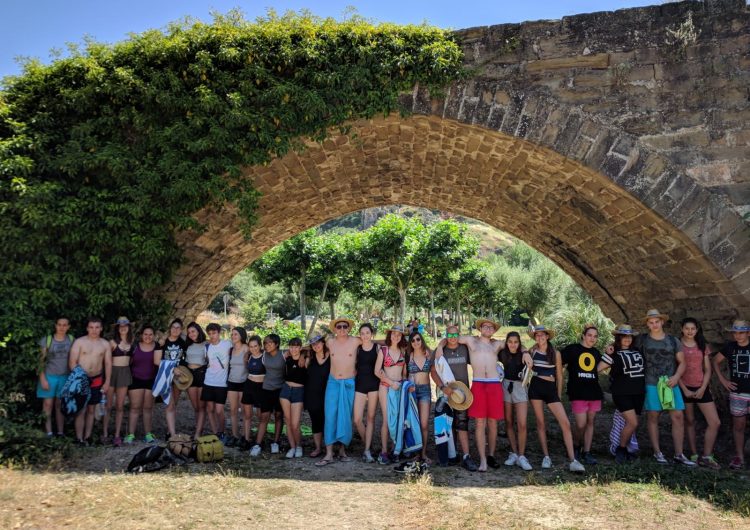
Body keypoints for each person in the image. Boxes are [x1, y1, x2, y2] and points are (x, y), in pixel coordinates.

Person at [522, 324, 585, 472]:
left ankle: (573, 460)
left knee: (565, 423)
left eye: (542, 335)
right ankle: (546, 457)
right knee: (540, 423)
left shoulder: (555, 353)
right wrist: (525, 352)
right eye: (537, 335)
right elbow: (523, 353)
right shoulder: (532, 350)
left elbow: (560, 375)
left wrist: (558, 393)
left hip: (550, 389)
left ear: (547, 336)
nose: (540, 337)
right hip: (536, 387)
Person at [636, 309, 694, 466]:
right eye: (651, 322)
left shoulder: (673, 340)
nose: (654, 324)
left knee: (677, 416)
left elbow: (682, 362)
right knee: (653, 416)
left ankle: (679, 454)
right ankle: (657, 452)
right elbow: (625, 346)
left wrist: (676, 377)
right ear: (647, 324)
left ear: (662, 322)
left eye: (657, 321)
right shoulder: (642, 340)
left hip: (670, 382)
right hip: (651, 382)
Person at [447, 318, 505, 472]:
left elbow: (516, 344)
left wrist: (526, 352)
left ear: (494, 330)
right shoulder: (471, 341)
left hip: (494, 384)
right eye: (485, 326)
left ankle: (491, 455)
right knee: (480, 423)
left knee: (493, 423)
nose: (488, 328)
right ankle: (483, 459)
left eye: (491, 327)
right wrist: (439, 347)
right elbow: (450, 337)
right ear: (480, 328)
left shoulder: (497, 344)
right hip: (478, 383)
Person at [432, 324, 479, 471]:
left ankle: (466, 456)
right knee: (448, 424)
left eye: (455, 335)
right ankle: (452, 454)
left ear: (459, 336)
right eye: (449, 335)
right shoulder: (441, 351)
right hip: (446, 393)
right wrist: (442, 387)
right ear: (446, 336)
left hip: (461, 395)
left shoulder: (464, 349)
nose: (452, 338)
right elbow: (433, 371)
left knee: (462, 424)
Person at [677, 317, 721, 469]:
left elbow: (708, 369)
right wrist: (684, 389)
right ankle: (694, 454)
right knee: (689, 421)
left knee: (715, 422)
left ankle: (707, 456)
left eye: (693, 329)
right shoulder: (677, 345)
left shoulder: (702, 345)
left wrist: (703, 387)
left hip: (701, 387)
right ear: (682, 329)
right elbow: (674, 369)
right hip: (684, 388)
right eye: (687, 328)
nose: (690, 331)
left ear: (697, 330)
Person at [599, 324, 645, 464]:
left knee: (631, 424)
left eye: (629, 336)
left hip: (638, 393)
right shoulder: (614, 353)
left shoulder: (637, 351)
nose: (627, 339)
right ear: (618, 338)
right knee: (633, 423)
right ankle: (621, 448)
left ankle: (627, 449)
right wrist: (607, 353)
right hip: (622, 393)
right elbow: (598, 368)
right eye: (624, 336)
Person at [316, 317, 359, 466]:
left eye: (345, 326)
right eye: (339, 327)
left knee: (345, 416)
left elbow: (372, 343)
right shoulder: (329, 342)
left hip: (348, 383)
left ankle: (342, 450)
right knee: (330, 415)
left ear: (349, 328)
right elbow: (312, 345)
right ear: (334, 329)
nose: (342, 329)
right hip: (333, 382)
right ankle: (328, 453)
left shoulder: (355, 341)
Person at [561, 324, 605, 465]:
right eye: (590, 335)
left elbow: (599, 368)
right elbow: (557, 361)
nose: (592, 338)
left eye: (595, 336)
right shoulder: (572, 349)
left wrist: (609, 352)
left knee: (590, 422)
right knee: (581, 424)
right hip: (578, 392)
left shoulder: (596, 353)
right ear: (583, 336)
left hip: (594, 392)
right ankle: (575, 445)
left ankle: (586, 452)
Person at [712, 319, 750, 470]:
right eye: (735, 333)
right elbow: (715, 361)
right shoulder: (730, 347)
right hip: (737, 393)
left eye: (741, 333)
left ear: (748, 333)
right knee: (738, 426)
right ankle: (739, 457)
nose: (738, 336)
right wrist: (723, 380)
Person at [69, 317, 112, 445]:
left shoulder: (105, 344)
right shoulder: (79, 342)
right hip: (81, 379)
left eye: (97, 327)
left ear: (101, 329)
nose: (94, 330)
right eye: (91, 327)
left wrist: (107, 381)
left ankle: (87, 438)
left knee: (91, 410)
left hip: (97, 379)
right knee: (80, 409)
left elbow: (108, 363)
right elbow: (72, 362)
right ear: (87, 328)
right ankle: (79, 439)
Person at [498, 331, 533, 471]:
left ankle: (522, 455)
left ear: (519, 343)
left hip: (520, 387)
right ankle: (513, 452)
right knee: (508, 422)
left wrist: (524, 351)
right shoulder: (502, 353)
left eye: (516, 342)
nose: (513, 344)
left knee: (522, 423)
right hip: (506, 385)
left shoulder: (524, 354)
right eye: (510, 341)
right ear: (506, 342)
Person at [375, 324, 408, 465]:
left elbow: (405, 373)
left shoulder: (403, 351)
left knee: (399, 419)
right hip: (385, 386)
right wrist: (390, 382)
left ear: (401, 337)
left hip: (399, 387)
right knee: (387, 420)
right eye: (393, 334)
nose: (396, 337)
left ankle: (396, 449)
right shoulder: (383, 350)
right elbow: (377, 371)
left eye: (399, 335)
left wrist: (405, 385)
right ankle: (384, 450)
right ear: (390, 335)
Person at [37, 317, 73, 438]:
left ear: (68, 327)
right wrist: (42, 378)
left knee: (60, 405)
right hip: (49, 376)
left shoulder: (71, 340)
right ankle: (48, 432)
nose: (62, 327)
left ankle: (60, 432)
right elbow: (40, 361)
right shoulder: (47, 340)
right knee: (47, 405)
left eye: (64, 325)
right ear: (55, 325)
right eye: (59, 325)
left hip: (65, 377)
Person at [250, 333, 285, 456]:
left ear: (276, 344)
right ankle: (257, 444)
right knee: (264, 417)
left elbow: (302, 349)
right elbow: (250, 351)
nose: (267, 345)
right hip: (266, 389)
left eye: (270, 342)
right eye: (265, 343)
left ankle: (276, 442)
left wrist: (303, 356)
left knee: (278, 416)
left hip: (280, 389)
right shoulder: (264, 355)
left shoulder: (284, 354)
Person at [155, 318, 187, 439]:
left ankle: (170, 431)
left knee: (174, 404)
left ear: (181, 330)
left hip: (178, 377)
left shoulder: (182, 342)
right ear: (170, 329)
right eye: (173, 327)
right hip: (166, 375)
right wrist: (172, 368)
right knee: (169, 404)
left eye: (178, 328)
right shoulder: (163, 342)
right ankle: (173, 434)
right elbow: (157, 361)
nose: (175, 329)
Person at [126, 324, 158, 444]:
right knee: (135, 407)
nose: (148, 336)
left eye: (150, 334)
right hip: (136, 379)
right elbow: (128, 363)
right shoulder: (135, 347)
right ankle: (130, 435)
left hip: (151, 380)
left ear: (154, 336)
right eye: (145, 334)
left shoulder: (157, 347)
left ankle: (148, 434)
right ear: (141, 335)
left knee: (148, 408)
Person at [354, 323, 380, 463]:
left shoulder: (377, 348)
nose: (365, 335)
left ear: (372, 334)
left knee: (370, 418)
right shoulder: (357, 349)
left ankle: (367, 450)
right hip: (360, 385)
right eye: (362, 333)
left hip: (374, 386)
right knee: (357, 419)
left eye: (367, 333)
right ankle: (368, 444)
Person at [201, 322, 231, 441]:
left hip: (222, 383)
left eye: (214, 333)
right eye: (209, 334)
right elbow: (207, 361)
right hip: (208, 381)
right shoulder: (207, 347)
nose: (212, 336)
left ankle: (222, 431)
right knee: (210, 409)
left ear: (219, 333)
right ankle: (215, 433)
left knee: (219, 410)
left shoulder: (227, 344)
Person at [407, 330, 433, 463]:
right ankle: (414, 452)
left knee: (423, 424)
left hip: (425, 391)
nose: (416, 342)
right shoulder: (408, 355)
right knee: (413, 423)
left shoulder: (429, 354)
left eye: (418, 339)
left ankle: (423, 453)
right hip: (411, 391)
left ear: (421, 340)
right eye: (413, 340)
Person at [107, 317, 133, 447]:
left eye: (125, 325)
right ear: (117, 328)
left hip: (124, 373)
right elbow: (106, 361)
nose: (123, 327)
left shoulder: (132, 342)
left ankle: (117, 435)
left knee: (120, 406)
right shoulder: (112, 342)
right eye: (120, 326)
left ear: (129, 327)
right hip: (112, 373)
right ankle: (105, 434)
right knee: (108, 405)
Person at [281, 337, 308, 458]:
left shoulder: (306, 359)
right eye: (291, 347)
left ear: (300, 348)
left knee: (295, 423)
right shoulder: (287, 358)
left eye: (296, 347)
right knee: (288, 421)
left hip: (299, 391)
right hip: (286, 390)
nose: (293, 349)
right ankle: (292, 447)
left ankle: (299, 446)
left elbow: (311, 349)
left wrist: (302, 354)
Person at [305, 335, 330, 458]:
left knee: (328, 420)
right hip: (312, 394)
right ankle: (318, 448)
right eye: (313, 344)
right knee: (316, 421)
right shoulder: (309, 358)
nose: (316, 346)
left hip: (328, 393)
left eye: (318, 343)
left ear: (323, 343)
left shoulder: (331, 355)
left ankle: (329, 447)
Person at [226, 327, 249, 447]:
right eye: (232, 334)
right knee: (233, 410)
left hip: (244, 382)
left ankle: (245, 436)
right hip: (232, 382)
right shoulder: (230, 349)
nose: (233, 336)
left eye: (236, 334)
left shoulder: (247, 348)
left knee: (245, 411)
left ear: (241, 335)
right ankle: (235, 435)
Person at [185, 322, 208, 439]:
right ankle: (199, 428)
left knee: (202, 406)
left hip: (201, 374)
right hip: (190, 375)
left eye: (193, 331)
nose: (191, 334)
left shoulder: (206, 344)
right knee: (196, 407)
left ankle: (198, 433)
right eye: (189, 332)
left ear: (199, 331)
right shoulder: (187, 345)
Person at [240, 335, 264, 450]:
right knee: (247, 415)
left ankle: (259, 440)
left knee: (261, 416)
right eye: (251, 346)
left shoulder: (265, 357)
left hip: (261, 388)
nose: (253, 348)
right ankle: (246, 439)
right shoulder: (248, 357)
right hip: (249, 385)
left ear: (260, 346)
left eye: (255, 346)